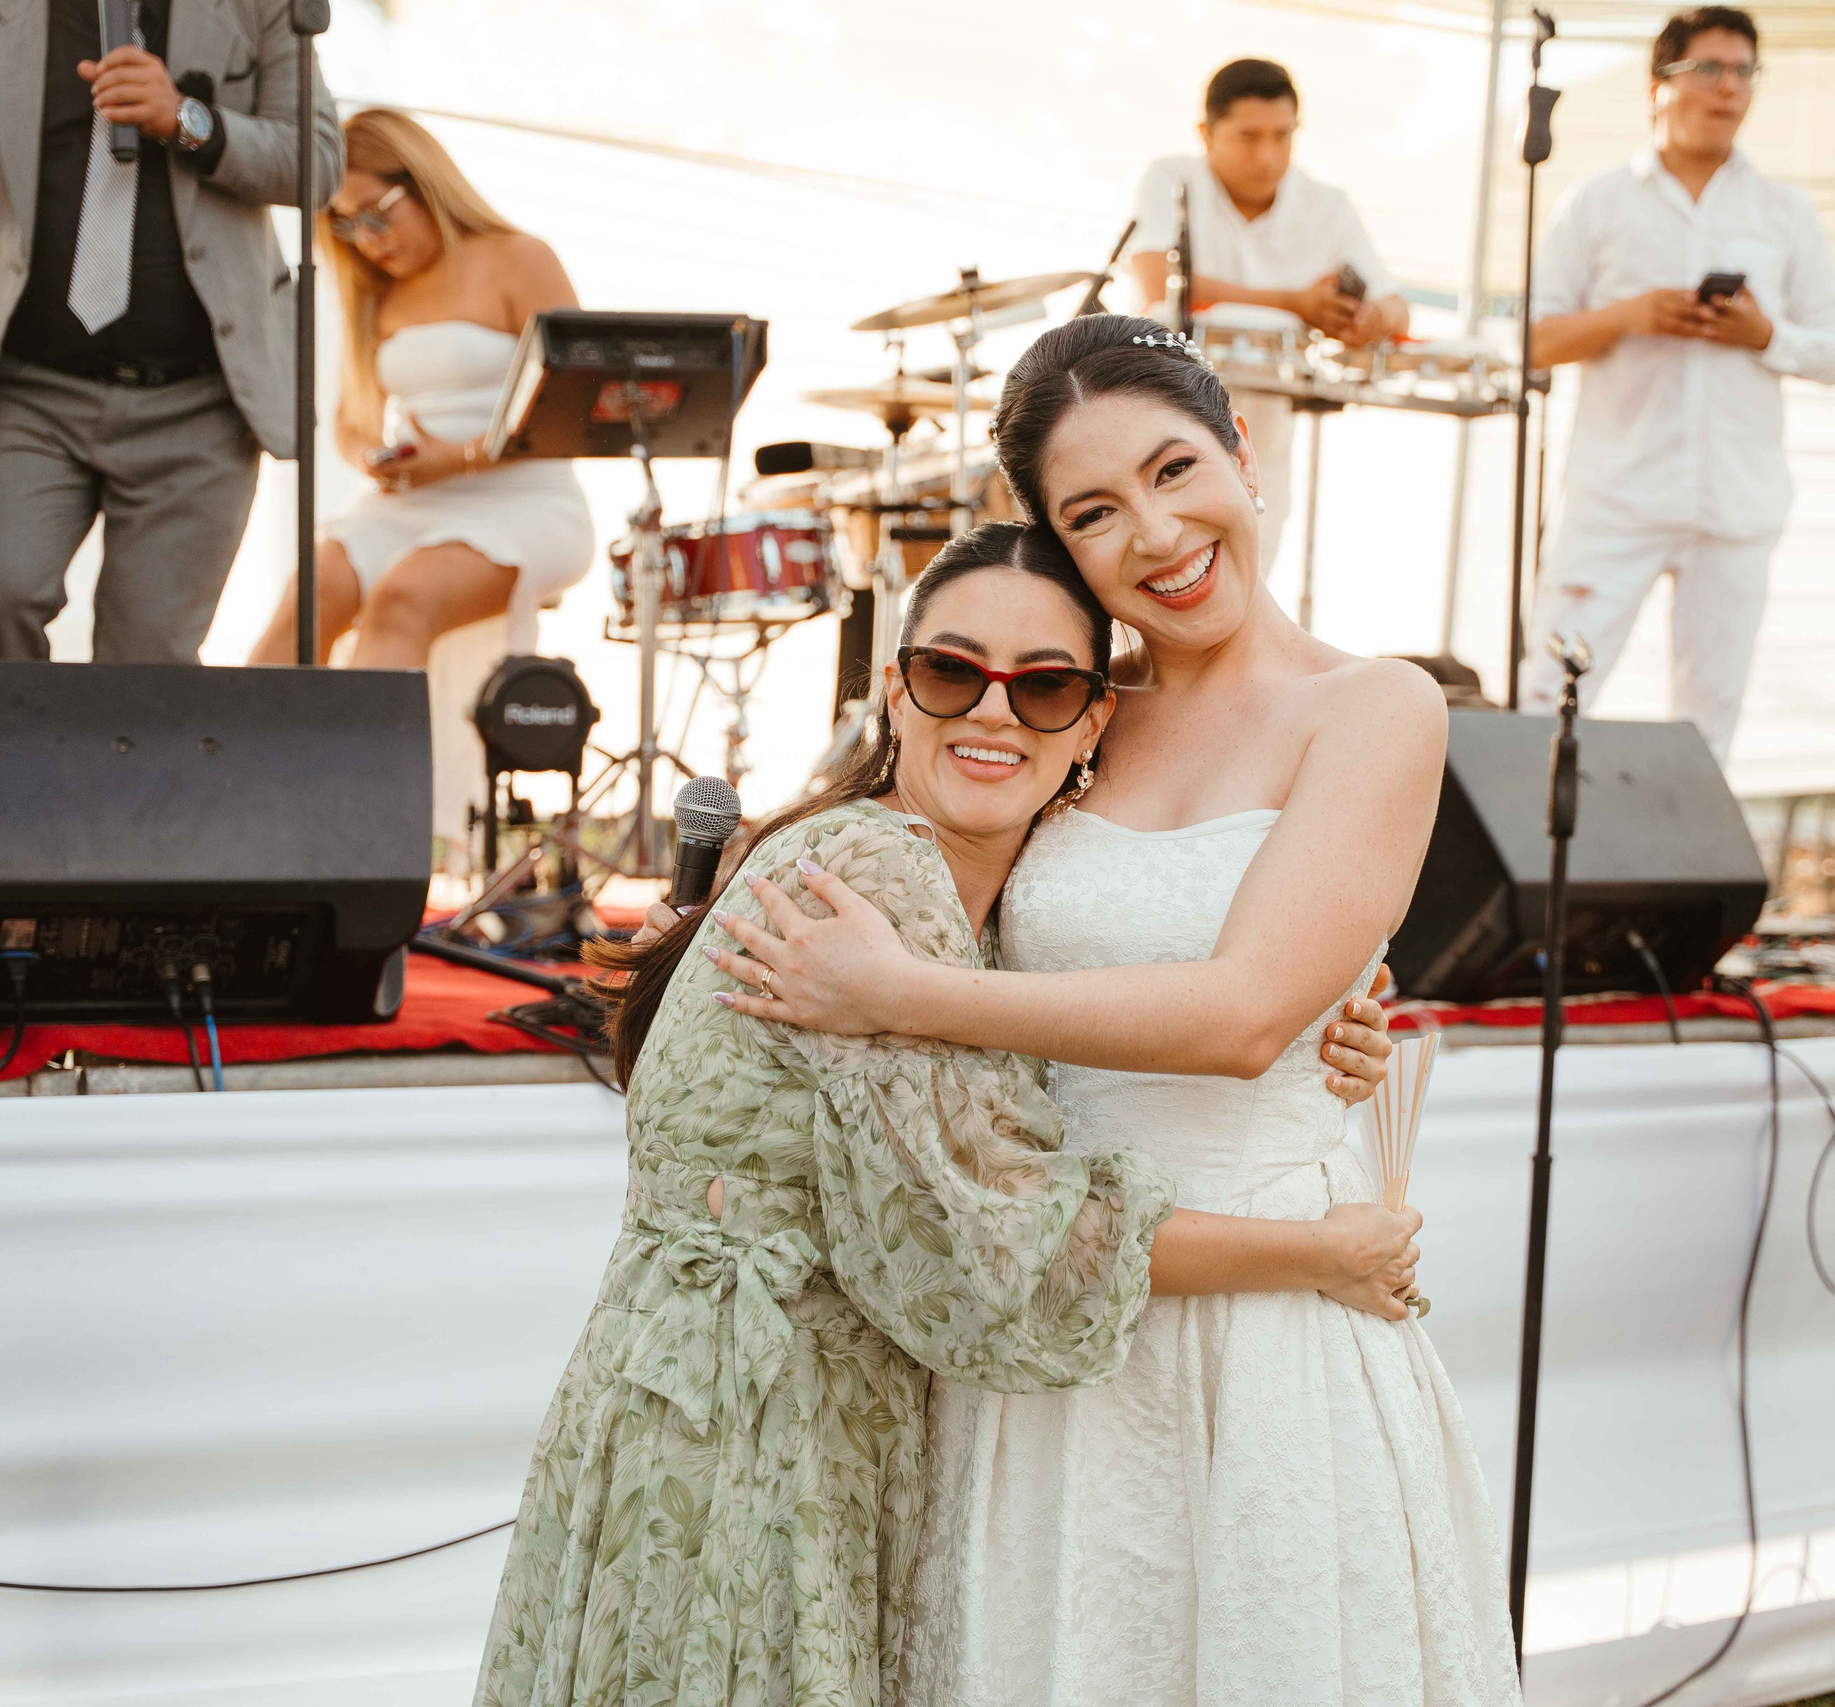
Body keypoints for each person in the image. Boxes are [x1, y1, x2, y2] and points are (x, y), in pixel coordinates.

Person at [703, 317, 1520, 1706]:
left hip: (1271, 1300)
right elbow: (878, 848)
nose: (1155, 531)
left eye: (1175, 467)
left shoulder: (1373, 705)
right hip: (1052, 1285)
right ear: (1057, 546)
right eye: (1094, 510)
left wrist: (911, 994)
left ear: (1243, 453)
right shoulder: (1067, 707)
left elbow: (1246, 1013)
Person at [472, 521, 1416, 1706]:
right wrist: (1319, 1255)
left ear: (1090, 724)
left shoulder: (959, 902)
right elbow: (996, 1240)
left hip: (737, 1407)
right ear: (894, 693)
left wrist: (1324, 1009)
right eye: (951, 671)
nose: (992, 713)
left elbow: (1054, 1045)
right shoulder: (873, 882)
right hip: (749, 1439)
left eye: (1046, 685)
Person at [0, 0, 341, 664]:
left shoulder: (259, 6)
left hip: (199, 404)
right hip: (26, 391)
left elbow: (318, 160)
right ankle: (1, 765)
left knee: (147, 663)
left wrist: (189, 122)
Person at [1518, 5, 1835, 761]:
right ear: (1657, 87)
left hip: (1735, 503)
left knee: (1710, 723)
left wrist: (1763, 335)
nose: (1728, 88)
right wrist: (1630, 315)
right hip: (1617, 496)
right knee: (1547, 696)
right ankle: (1530, 875)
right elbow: (1531, 340)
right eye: (1709, 68)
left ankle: (1686, 881)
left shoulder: (1784, 211)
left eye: (1743, 72)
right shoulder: (1597, 203)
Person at [246, 109, 591, 668]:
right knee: (308, 594)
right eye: (347, 223)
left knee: (404, 599)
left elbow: (575, 406)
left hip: (527, 501)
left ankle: (366, 759)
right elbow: (351, 421)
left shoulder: (519, 258)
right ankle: (233, 753)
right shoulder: (376, 294)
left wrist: (459, 458)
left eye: (376, 214)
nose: (366, 240)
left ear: (422, 180)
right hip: (411, 499)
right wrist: (378, 460)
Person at [1124, 57, 1410, 577]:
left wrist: (1366, 318)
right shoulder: (1170, 177)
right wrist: (1296, 303)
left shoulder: (1326, 204)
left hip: (1261, 443)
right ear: (1205, 134)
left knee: (1246, 588)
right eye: (1249, 137)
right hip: (1154, 421)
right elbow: (1154, 279)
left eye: (1283, 136)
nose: (1269, 155)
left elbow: (1396, 307)